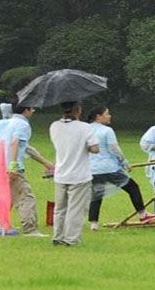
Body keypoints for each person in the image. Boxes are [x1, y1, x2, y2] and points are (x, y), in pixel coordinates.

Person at [0, 104, 52, 237]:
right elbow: (15, 143)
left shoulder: (7, 123)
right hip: (11, 167)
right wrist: (13, 166)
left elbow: (26, 148)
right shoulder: (22, 125)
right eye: (32, 108)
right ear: (26, 110)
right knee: (26, 197)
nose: (33, 111)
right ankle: (30, 230)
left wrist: (46, 162)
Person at [86, 105, 155, 230]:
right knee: (133, 188)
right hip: (109, 168)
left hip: (92, 169)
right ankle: (143, 214)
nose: (109, 116)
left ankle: (94, 224)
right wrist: (124, 162)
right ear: (98, 116)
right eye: (107, 113)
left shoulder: (86, 129)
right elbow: (114, 149)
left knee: (97, 194)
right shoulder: (107, 131)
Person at [50, 101, 99, 246]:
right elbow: (95, 148)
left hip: (61, 173)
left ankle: (57, 236)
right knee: (75, 209)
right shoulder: (85, 127)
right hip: (79, 174)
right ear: (77, 110)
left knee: (60, 208)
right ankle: (71, 239)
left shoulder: (54, 126)